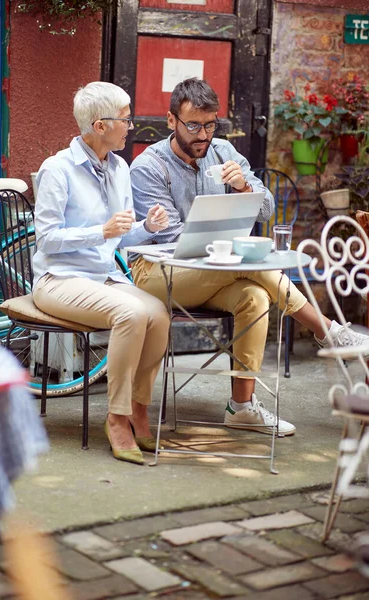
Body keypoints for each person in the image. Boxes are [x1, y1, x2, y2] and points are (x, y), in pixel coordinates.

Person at [130, 77, 369, 437]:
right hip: (160, 275)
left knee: (255, 295)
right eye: (193, 125)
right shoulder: (148, 167)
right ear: (171, 121)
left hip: (217, 275)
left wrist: (243, 185)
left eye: (210, 125)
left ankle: (241, 408)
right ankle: (326, 330)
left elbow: (268, 207)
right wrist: (229, 248)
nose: (202, 135)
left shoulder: (224, 152)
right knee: (253, 263)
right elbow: (170, 239)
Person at [32, 81, 170, 466]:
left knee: (158, 314)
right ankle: (117, 418)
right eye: (126, 119)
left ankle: (139, 409)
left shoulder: (119, 167)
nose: (132, 125)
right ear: (100, 125)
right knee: (131, 314)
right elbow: (46, 239)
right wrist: (101, 231)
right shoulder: (57, 170)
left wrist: (148, 229)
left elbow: (121, 235)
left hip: (103, 276)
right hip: (58, 279)